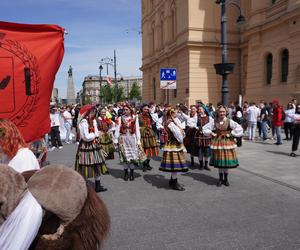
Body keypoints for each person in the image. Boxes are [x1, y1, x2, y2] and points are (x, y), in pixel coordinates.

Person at [203, 105, 243, 187]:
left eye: (223, 112)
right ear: (217, 112)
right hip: (218, 142)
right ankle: (220, 179)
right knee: (220, 161)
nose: (222, 113)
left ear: (226, 112)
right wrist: (211, 133)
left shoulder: (229, 121)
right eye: (220, 112)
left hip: (227, 142)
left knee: (226, 161)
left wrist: (232, 133)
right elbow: (205, 128)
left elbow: (239, 128)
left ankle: (226, 179)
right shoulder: (214, 121)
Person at [75, 104, 107, 192]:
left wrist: (96, 134)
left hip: (94, 145)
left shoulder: (93, 121)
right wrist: (96, 135)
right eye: (92, 112)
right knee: (86, 165)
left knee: (98, 164)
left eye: (95, 112)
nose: (94, 113)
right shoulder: (83, 122)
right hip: (86, 146)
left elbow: (96, 131)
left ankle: (97, 185)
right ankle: (84, 187)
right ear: (88, 112)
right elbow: (86, 137)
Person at [159, 108, 188, 191]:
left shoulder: (173, 121)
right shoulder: (170, 123)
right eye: (175, 113)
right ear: (171, 114)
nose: (177, 114)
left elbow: (180, 130)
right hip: (173, 144)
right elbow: (178, 134)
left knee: (174, 163)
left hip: (173, 144)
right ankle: (174, 182)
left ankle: (172, 180)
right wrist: (182, 139)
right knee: (175, 164)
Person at [114, 104, 143, 181]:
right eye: (124, 109)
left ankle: (132, 173)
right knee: (125, 157)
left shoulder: (134, 118)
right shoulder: (120, 118)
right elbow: (117, 129)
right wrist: (115, 139)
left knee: (132, 157)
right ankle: (126, 172)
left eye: (127, 109)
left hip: (132, 139)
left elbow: (137, 129)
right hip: (123, 139)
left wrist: (138, 140)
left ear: (130, 110)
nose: (125, 111)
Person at [138, 104, 159, 171]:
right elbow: (136, 126)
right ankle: (144, 164)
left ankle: (147, 163)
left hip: (150, 134)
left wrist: (151, 113)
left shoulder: (149, 116)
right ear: (142, 109)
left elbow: (155, 121)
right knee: (144, 150)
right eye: (145, 109)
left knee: (150, 150)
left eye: (147, 109)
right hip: (142, 134)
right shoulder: (138, 116)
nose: (146, 110)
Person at [96, 108, 116, 174]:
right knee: (101, 153)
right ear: (99, 112)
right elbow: (95, 128)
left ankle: (103, 167)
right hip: (100, 137)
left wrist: (109, 131)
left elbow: (112, 125)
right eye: (102, 112)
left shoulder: (107, 119)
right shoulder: (97, 120)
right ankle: (103, 168)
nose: (103, 113)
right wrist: (99, 133)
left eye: (104, 112)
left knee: (106, 153)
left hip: (106, 137)